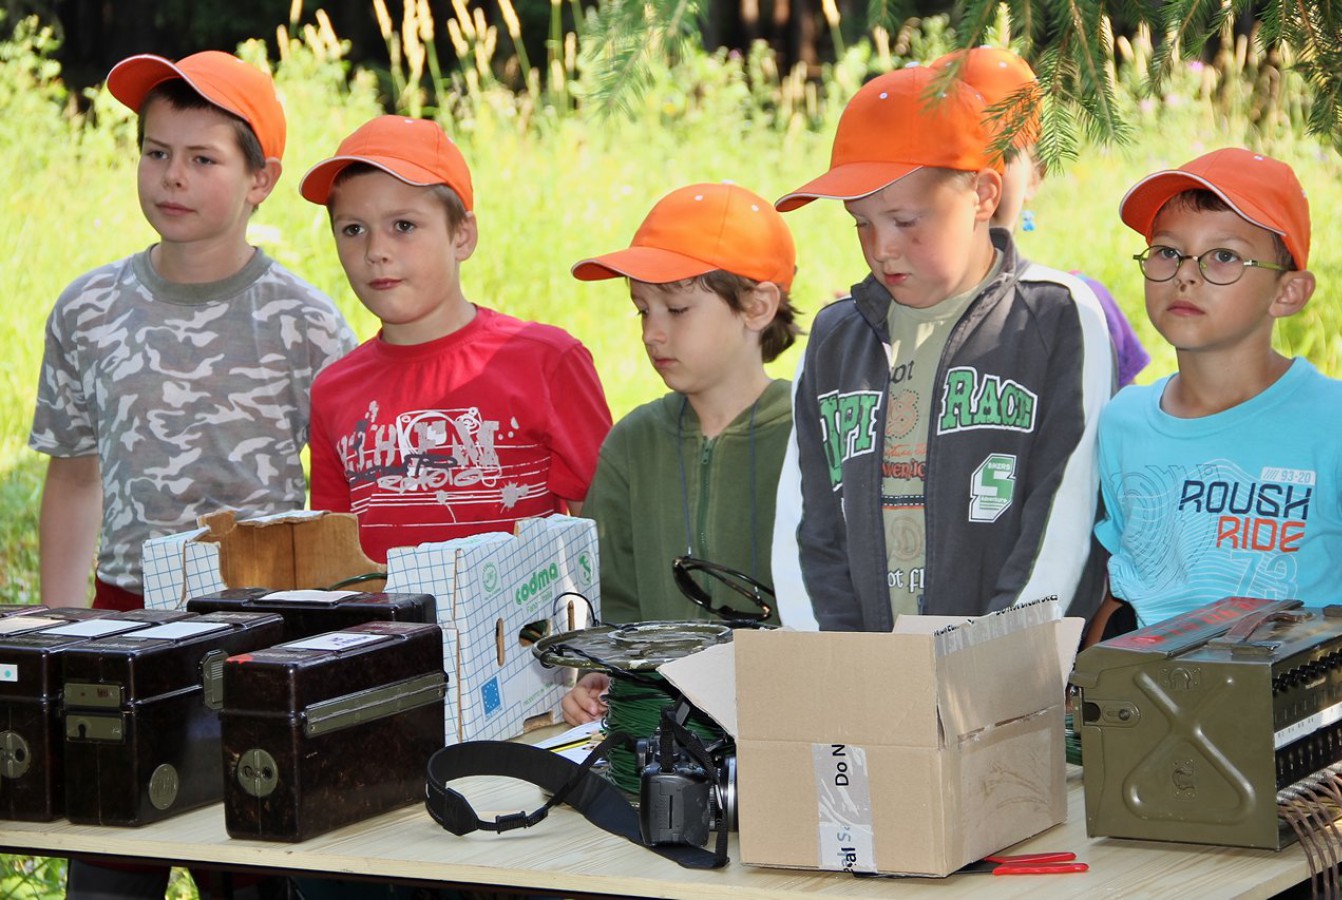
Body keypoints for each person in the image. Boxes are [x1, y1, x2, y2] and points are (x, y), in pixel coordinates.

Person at [27, 49, 355, 900]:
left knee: (250, 866)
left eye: (203, 158)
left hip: (255, 634)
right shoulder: (88, 309)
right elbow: (73, 473)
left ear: (260, 179)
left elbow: (342, 498)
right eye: (156, 152)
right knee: (107, 866)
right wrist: (60, 633)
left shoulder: (305, 323)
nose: (172, 177)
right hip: (122, 625)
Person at [773, 64, 1113, 631]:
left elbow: (1064, 518)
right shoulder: (835, 339)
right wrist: (838, 663)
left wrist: (990, 662)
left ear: (983, 194)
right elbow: (807, 528)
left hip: (1005, 667)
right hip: (858, 670)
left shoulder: (1054, 317)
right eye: (861, 223)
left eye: (906, 221)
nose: (882, 248)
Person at [300, 116, 612, 563]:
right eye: (353, 230)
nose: (375, 251)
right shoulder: (333, 390)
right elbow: (335, 563)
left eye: (403, 226)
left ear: (462, 236)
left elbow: (603, 537)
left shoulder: (548, 361)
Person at [562, 181, 801, 725]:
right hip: (661, 734)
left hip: (790, 721)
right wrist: (602, 674)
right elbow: (612, 603)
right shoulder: (632, 443)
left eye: (676, 309)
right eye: (642, 311)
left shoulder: (811, 434)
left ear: (757, 306)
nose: (653, 333)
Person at [1089, 147, 1342, 642]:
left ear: (1289, 292)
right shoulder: (1125, 421)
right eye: (1168, 251)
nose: (1185, 274)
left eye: (1224, 256)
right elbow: (1124, 588)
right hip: (1147, 686)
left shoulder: (1339, 422)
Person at [931, 45, 1150, 389]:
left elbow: (1121, 419)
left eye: (998, 153)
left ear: (1035, 175)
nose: (977, 177)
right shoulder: (881, 320)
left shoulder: (1079, 307)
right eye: (951, 158)